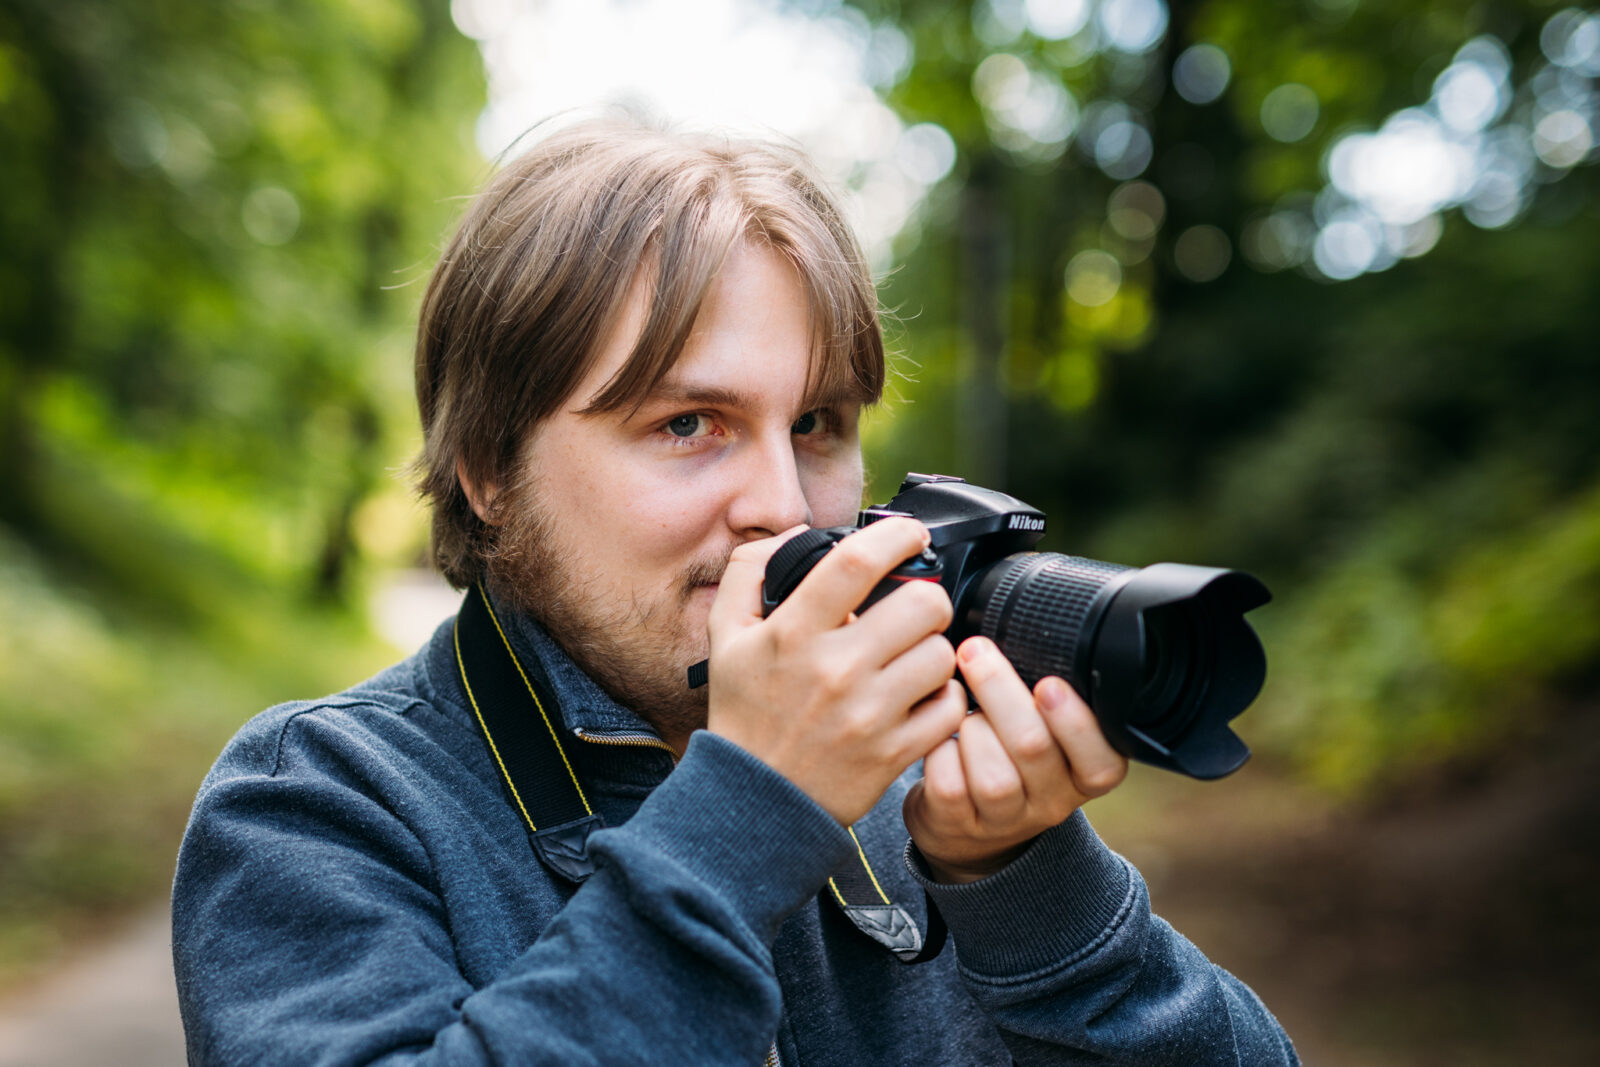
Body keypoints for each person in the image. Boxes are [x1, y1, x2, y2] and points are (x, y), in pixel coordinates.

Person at [172, 117, 1298, 1065]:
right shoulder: (318, 803)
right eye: (686, 424)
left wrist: (1025, 888)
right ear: (488, 469)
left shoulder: (908, 786)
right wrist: (753, 813)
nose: (782, 502)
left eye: (814, 424)